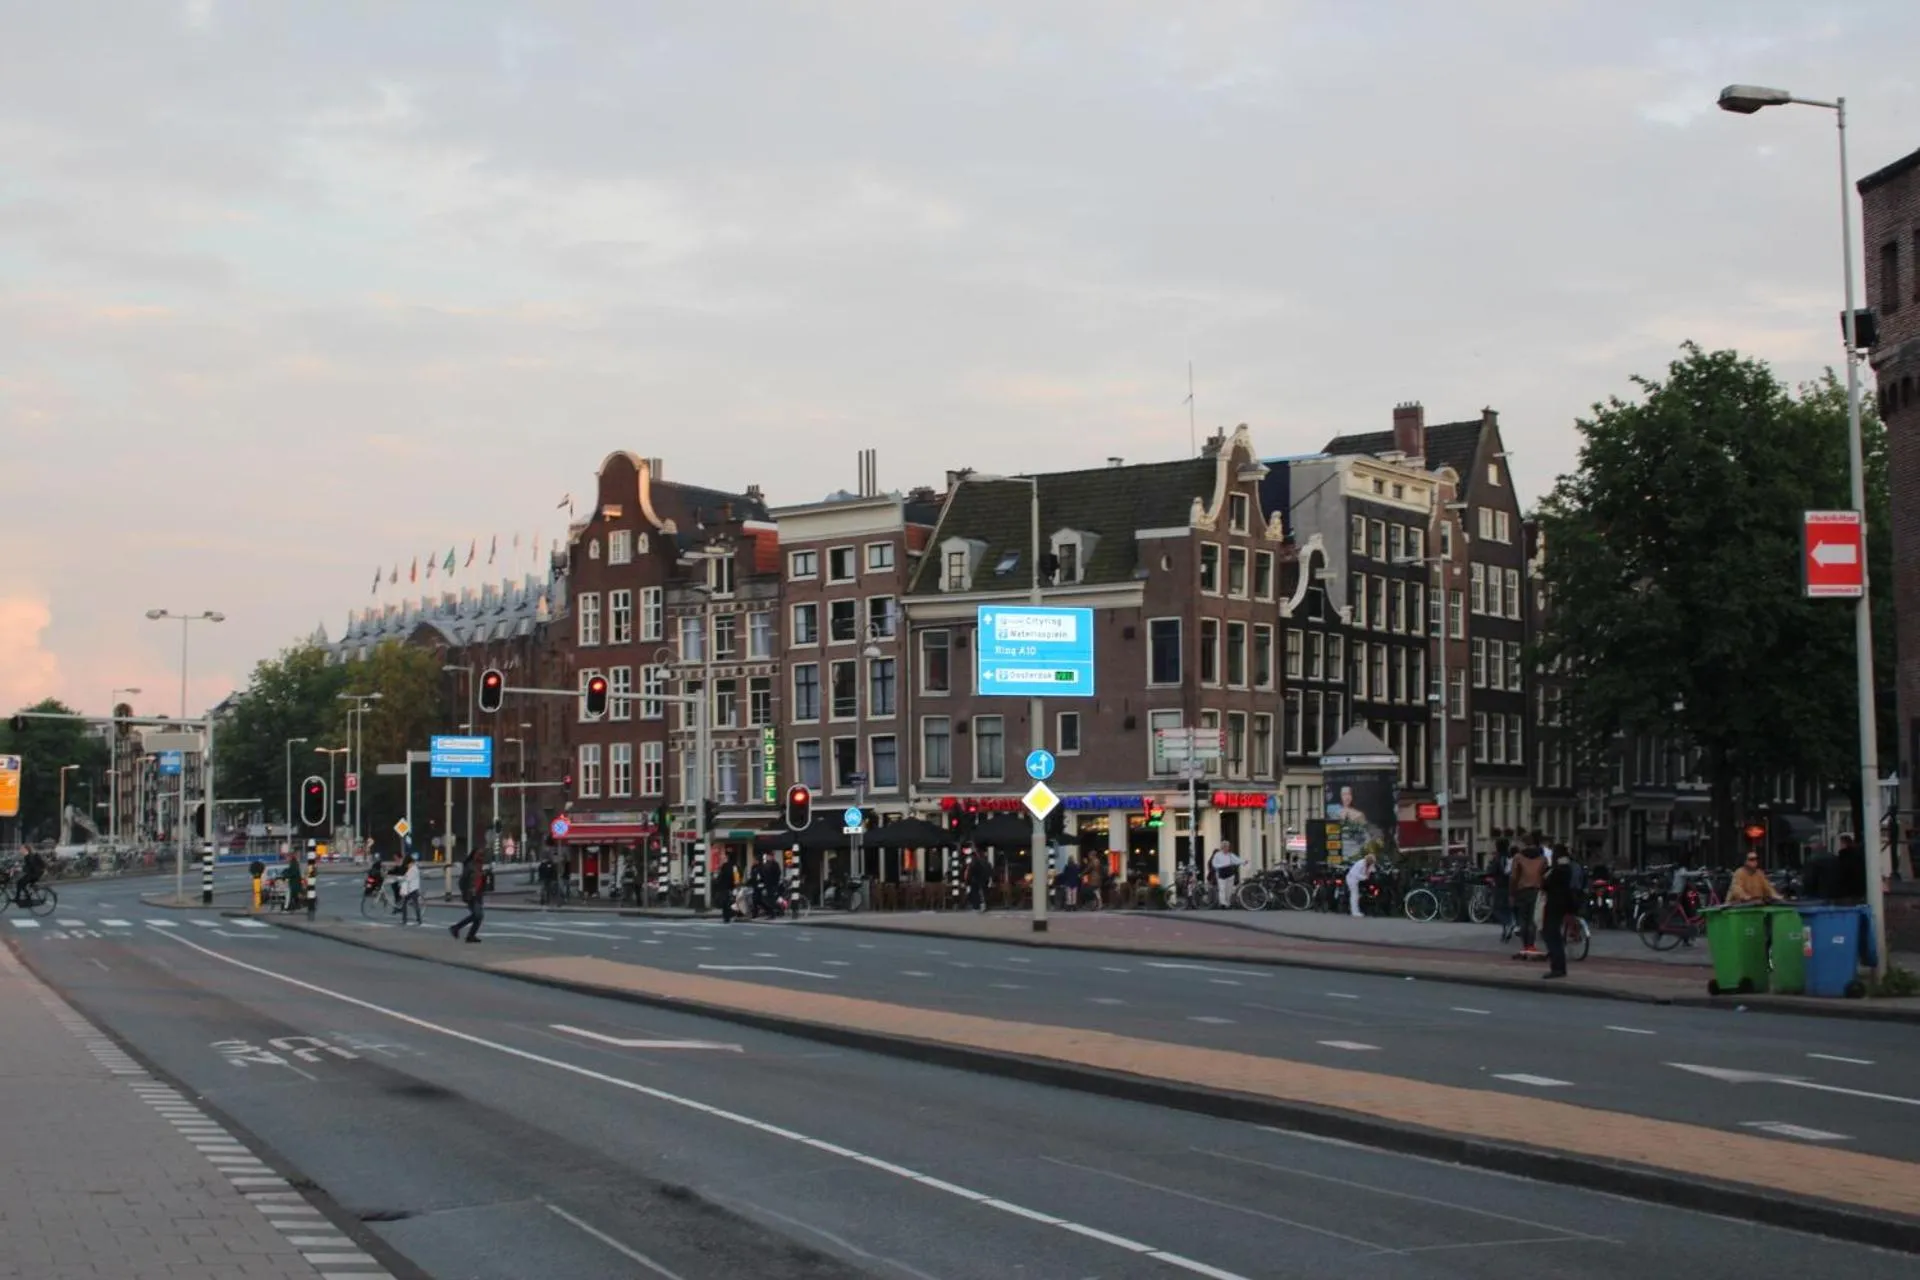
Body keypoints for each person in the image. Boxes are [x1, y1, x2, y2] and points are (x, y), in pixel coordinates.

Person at [1508, 836, 1547, 957]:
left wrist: (1511, 893)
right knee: (1533, 919)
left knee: (1523, 918)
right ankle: (1531, 944)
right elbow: (1544, 875)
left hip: (1522, 890)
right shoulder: (1542, 859)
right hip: (1536, 890)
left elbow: (1514, 877)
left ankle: (1525, 945)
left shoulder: (1518, 858)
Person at [1540, 851, 1574, 979]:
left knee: (1551, 934)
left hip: (1554, 905)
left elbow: (1545, 884)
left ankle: (1557, 967)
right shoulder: (1568, 870)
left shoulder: (1555, 872)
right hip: (1563, 905)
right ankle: (1560, 966)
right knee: (1554, 935)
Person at [449, 850, 486, 943]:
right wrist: (466, 892)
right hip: (471, 894)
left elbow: (479, 880)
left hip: (478, 893)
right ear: (474, 855)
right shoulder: (470, 866)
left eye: (482, 855)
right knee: (478, 915)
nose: (481, 857)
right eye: (479, 855)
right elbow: (462, 881)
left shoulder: (479, 866)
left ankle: (466, 934)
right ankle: (457, 929)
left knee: (478, 916)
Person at [1209, 841, 1244, 908]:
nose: (1226, 848)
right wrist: (1222, 865)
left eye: (1227, 846)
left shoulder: (1230, 855)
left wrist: (1244, 862)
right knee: (1222, 889)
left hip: (1230, 874)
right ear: (1222, 847)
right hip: (1221, 873)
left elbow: (1237, 860)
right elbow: (1214, 863)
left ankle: (1227, 903)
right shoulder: (1217, 855)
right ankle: (1223, 904)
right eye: (1224, 847)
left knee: (1229, 890)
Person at [1344, 849, 1375, 918]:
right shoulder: (1360, 864)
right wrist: (1364, 877)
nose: (1371, 863)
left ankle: (1357, 910)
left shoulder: (1369, 864)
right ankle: (1354, 911)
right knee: (1354, 895)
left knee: (1357, 894)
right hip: (1352, 879)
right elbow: (1355, 874)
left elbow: (1372, 870)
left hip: (1359, 880)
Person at [397, 855, 423, 924]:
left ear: (410, 863)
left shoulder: (413, 869)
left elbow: (407, 878)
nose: (407, 866)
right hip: (411, 890)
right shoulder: (412, 869)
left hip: (412, 890)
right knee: (408, 904)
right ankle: (414, 919)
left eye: (407, 864)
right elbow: (406, 877)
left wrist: (399, 879)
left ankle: (416, 919)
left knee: (413, 905)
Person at [715, 855, 739, 924]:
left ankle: (727, 916)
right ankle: (728, 916)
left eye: (722, 859)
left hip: (725, 887)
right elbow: (736, 876)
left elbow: (721, 877)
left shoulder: (725, 867)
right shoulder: (733, 866)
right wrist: (736, 884)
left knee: (725, 902)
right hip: (730, 887)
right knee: (728, 902)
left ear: (726, 859)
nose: (721, 860)